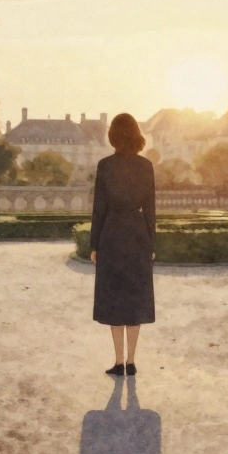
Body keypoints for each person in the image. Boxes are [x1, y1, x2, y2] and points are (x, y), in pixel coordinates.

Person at [90, 113, 156, 377]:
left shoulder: (105, 166)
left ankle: (118, 362)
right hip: (138, 233)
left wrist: (94, 244)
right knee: (135, 298)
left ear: (113, 136)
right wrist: (152, 242)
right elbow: (151, 209)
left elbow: (99, 209)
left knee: (114, 299)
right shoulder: (146, 166)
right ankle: (131, 361)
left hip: (112, 234)